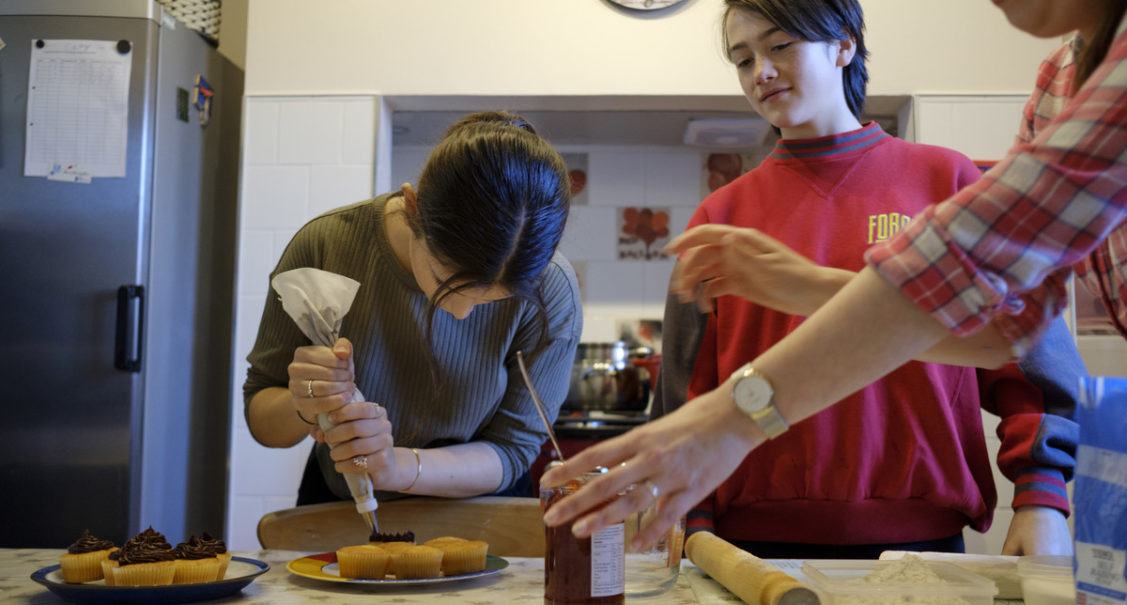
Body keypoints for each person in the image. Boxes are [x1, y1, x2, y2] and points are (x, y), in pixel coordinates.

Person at [542, 0, 1127, 551]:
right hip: (749, 541)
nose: (760, 72)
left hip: (923, 528)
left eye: (781, 45)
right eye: (742, 59)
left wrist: (1041, 494)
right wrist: (695, 520)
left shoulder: (946, 179)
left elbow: (1022, 349)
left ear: (844, 44)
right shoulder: (722, 217)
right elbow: (686, 393)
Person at [244, 111, 582, 504]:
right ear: (412, 206)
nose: (460, 313)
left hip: (485, 516)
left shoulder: (552, 287)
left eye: (495, 299)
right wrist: (305, 403)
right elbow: (262, 421)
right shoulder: (327, 246)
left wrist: (395, 466)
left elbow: (513, 449)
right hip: (342, 510)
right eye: (444, 282)